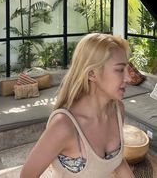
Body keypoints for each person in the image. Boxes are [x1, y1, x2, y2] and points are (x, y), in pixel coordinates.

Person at [20, 33, 135, 178]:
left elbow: (116, 161)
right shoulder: (64, 125)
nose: (129, 78)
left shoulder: (118, 111)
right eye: (119, 69)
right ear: (92, 73)